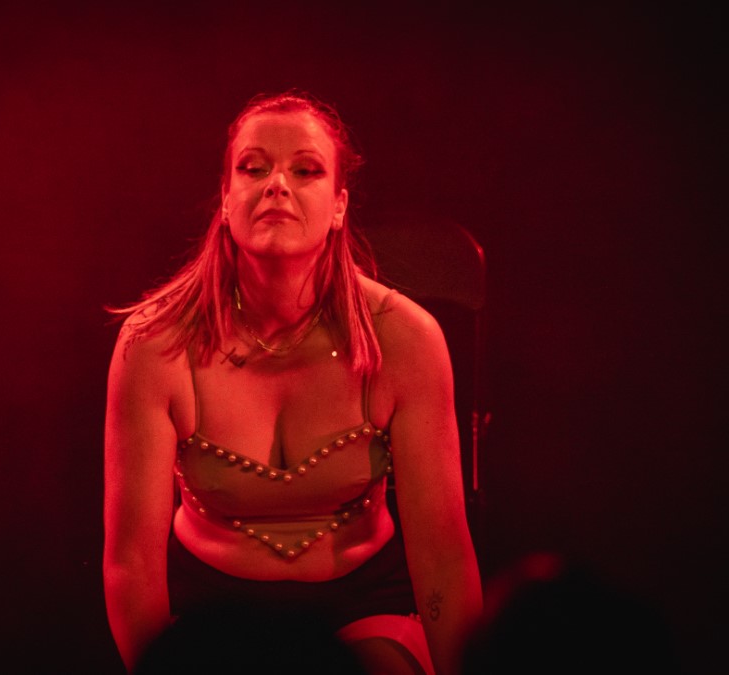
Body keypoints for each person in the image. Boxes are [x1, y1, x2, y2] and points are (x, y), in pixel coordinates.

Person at [104, 91, 481, 674]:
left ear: (339, 206)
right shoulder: (154, 343)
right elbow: (130, 564)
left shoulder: (405, 338)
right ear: (225, 199)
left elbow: (444, 555)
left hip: (362, 604)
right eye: (253, 168)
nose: (277, 185)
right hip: (212, 611)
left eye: (306, 171)